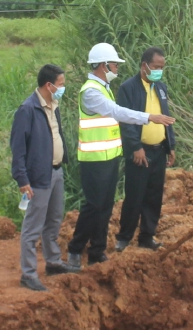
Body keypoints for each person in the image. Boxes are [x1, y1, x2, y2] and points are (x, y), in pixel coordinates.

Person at [63, 43, 174, 271]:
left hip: (109, 158)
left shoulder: (104, 87)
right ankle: (75, 250)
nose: (117, 67)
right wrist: (149, 117)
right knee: (94, 206)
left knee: (105, 206)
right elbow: (117, 112)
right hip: (94, 161)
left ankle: (97, 251)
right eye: (114, 64)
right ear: (104, 65)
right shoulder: (92, 91)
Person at [10, 65, 69, 291]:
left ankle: (53, 262)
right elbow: (18, 148)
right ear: (49, 85)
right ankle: (29, 273)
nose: (63, 88)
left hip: (56, 171)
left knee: (54, 220)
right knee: (33, 227)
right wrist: (22, 180)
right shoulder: (27, 110)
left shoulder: (53, 106)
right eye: (61, 84)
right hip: (38, 177)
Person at [115, 47, 176, 252]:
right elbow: (125, 122)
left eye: (162, 67)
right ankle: (124, 238)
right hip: (140, 152)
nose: (159, 71)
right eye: (156, 67)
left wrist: (171, 145)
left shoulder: (161, 88)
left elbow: (166, 117)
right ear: (144, 66)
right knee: (134, 195)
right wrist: (136, 147)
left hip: (159, 151)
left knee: (154, 196)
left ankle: (147, 236)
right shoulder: (128, 89)